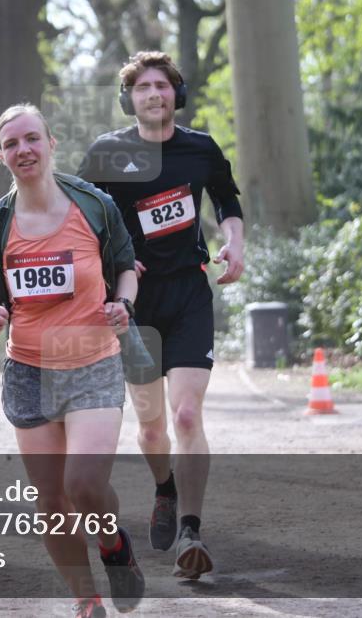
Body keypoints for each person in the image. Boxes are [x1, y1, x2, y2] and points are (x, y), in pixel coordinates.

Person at [0, 104, 145, 618]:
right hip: (28, 369)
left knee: (83, 485)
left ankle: (113, 544)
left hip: (92, 361)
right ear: (2, 156)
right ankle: (85, 600)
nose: (23, 150)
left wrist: (124, 303)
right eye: (11, 144)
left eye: (31, 139)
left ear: (50, 142)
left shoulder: (94, 205)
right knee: (51, 503)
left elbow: (125, 268)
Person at [77, 52, 245, 580]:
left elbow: (226, 198)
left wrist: (234, 242)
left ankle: (191, 532)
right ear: (130, 98)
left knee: (187, 415)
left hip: (190, 294)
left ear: (177, 93)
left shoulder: (200, 148)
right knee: (152, 431)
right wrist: (115, 264)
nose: (154, 93)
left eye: (163, 85)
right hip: (136, 305)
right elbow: (81, 221)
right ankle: (166, 489)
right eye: (143, 87)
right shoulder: (108, 153)